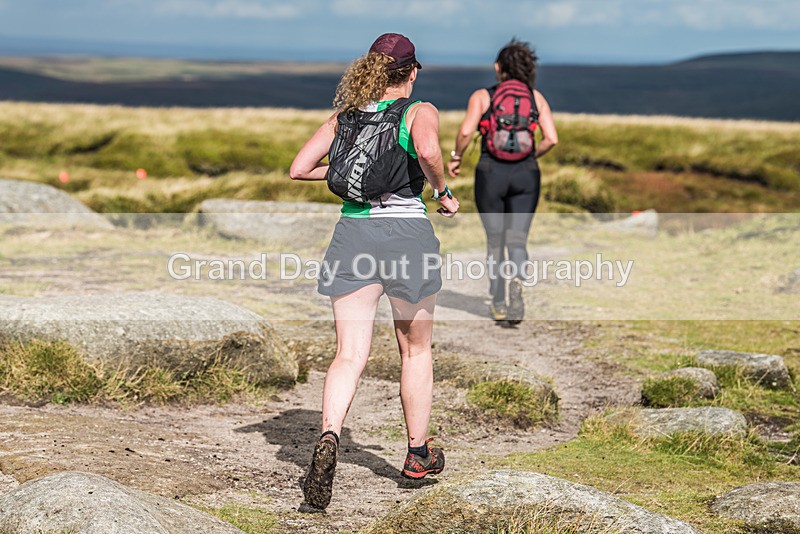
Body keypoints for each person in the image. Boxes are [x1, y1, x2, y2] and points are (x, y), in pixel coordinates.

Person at [289, 32, 459, 511]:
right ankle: (416, 456)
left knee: (349, 353)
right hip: (406, 235)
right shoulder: (418, 111)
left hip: (353, 237)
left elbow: (299, 169)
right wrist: (442, 191)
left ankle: (328, 436)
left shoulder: (344, 117)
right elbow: (427, 153)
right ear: (412, 71)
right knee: (415, 349)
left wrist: (350, 168)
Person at [448, 38, 558, 324]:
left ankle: (497, 301)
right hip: (527, 174)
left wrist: (456, 157)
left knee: (495, 241)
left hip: (490, 173)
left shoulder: (482, 97)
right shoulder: (537, 97)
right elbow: (552, 139)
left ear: (498, 68)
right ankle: (517, 284)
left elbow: (465, 132)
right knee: (518, 240)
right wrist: (530, 154)